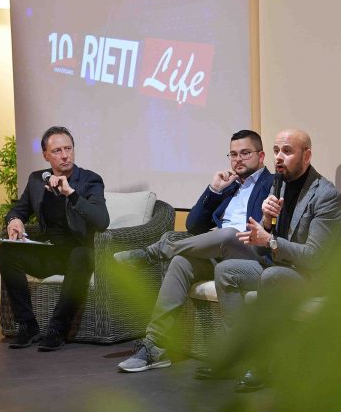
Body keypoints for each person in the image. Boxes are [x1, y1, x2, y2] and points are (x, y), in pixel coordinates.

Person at [116, 129, 274, 372]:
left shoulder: (272, 184)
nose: (238, 159)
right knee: (180, 262)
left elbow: (271, 227)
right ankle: (156, 346)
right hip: (220, 252)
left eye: (245, 153)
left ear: (261, 156)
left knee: (227, 234)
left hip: (252, 254)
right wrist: (214, 189)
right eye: (233, 154)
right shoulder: (230, 186)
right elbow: (193, 225)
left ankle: (152, 253)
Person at [206, 128, 341, 392]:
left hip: (314, 276)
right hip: (281, 266)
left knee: (272, 276)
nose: (279, 157)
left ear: (307, 156)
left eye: (287, 151)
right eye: (276, 151)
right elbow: (264, 242)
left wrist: (269, 240)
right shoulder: (277, 185)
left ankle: (263, 364)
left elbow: (315, 257)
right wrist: (267, 221)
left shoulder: (325, 195)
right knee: (226, 271)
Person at [0, 126, 109, 351]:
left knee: (80, 255)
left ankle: (57, 329)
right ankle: (28, 325)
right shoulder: (37, 180)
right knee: (6, 252)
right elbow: (18, 209)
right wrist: (14, 220)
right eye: (57, 151)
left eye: (68, 149)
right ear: (46, 155)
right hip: (51, 253)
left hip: (81, 252)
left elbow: (102, 220)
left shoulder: (90, 180)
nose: (65, 155)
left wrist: (71, 194)